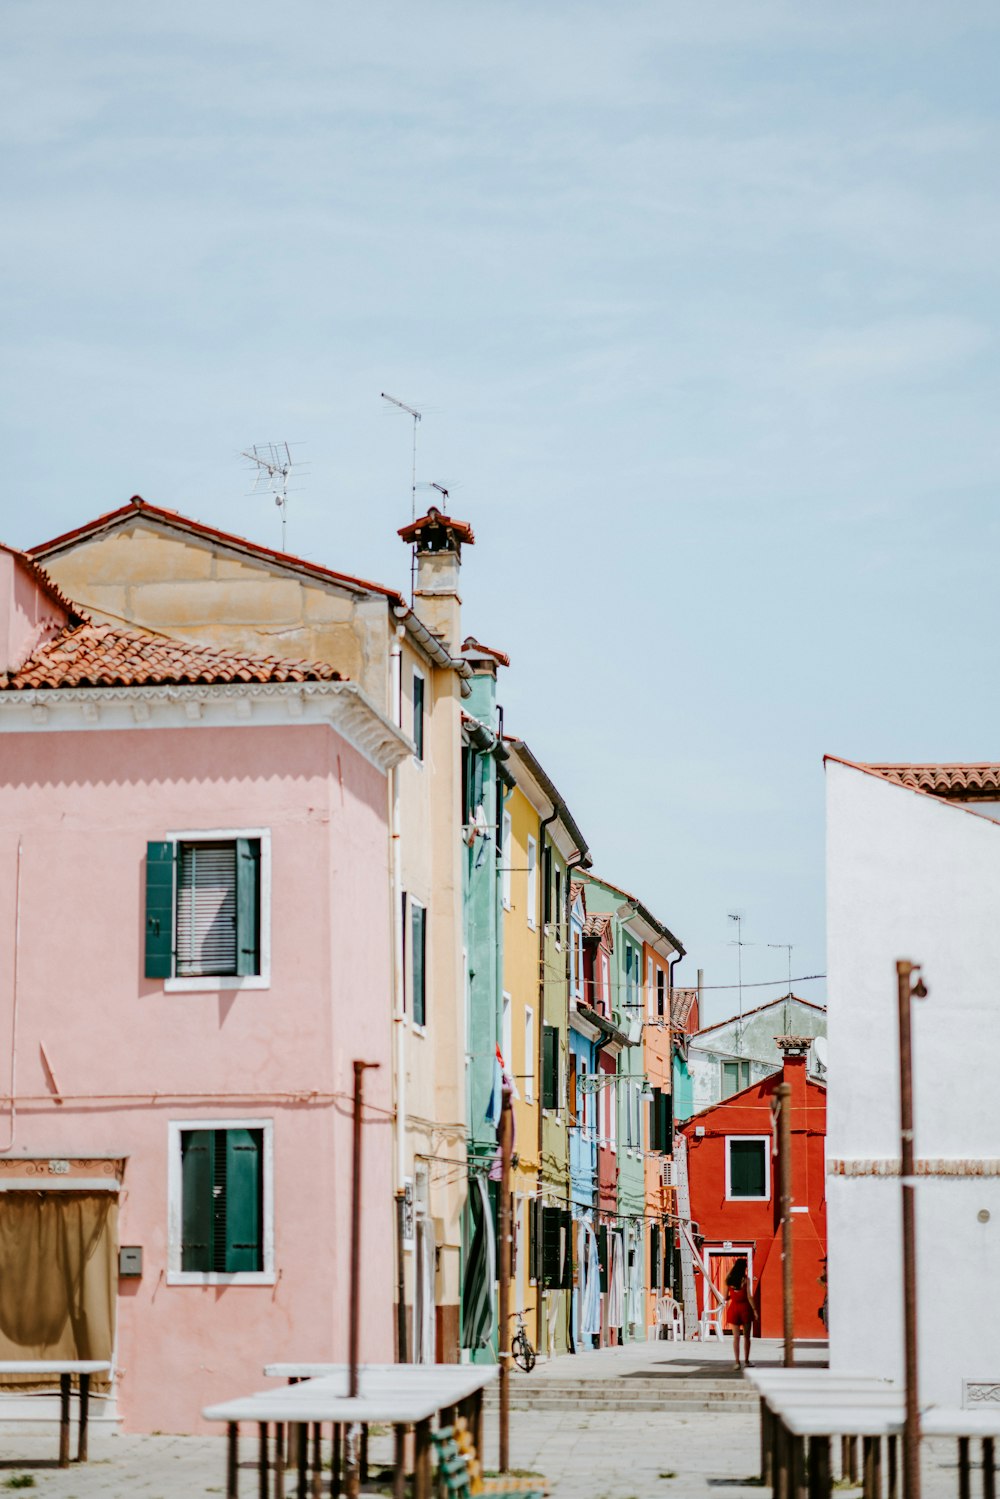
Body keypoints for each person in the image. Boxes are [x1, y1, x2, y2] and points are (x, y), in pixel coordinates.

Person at [725, 1257, 758, 1369]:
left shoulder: (729, 1281)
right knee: (747, 1337)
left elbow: (725, 1297)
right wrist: (755, 1310)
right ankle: (747, 1361)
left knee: (736, 1338)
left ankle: (737, 1362)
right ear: (744, 1268)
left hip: (734, 1308)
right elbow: (749, 1296)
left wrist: (733, 1295)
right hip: (745, 1309)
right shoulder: (746, 1280)